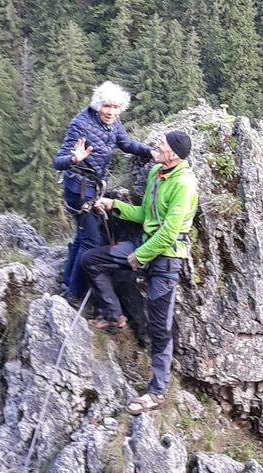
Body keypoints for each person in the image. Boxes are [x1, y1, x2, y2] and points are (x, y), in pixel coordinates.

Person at [82, 131, 199, 415]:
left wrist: (140, 256)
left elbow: (170, 231)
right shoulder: (157, 173)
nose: (157, 146)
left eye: (163, 144)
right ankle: (114, 316)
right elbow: (146, 215)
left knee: (160, 328)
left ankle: (157, 392)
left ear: (174, 154)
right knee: (92, 260)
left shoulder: (184, 183)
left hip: (166, 260)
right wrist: (115, 206)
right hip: (144, 245)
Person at [54, 81, 157, 303]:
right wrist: (74, 158)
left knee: (82, 237)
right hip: (79, 191)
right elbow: (57, 161)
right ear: (97, 105)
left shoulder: (114, 122)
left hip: (92, 188)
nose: (111, 112)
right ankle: (74, 294)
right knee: (91, 242)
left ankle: (67, 282)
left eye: (115, 107)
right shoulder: (80, 125)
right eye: (106, 107)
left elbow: (126, 143)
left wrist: (151, 152)